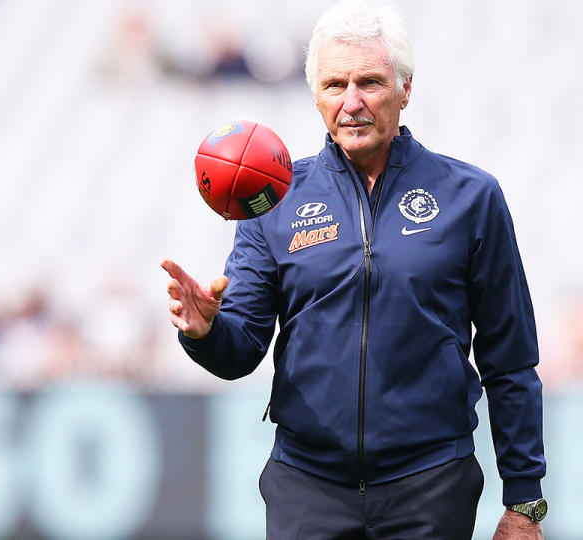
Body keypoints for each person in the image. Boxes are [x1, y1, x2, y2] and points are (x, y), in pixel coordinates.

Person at [162, 2, 545, 538]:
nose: (352, 102)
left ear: (406, 89)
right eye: (335, 85)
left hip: (432, 484)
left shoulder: (471, 197)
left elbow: (511, 360)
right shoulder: (274, 200)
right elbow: (240, 351)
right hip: (307, 485)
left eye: (370, 82)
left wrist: (524, 502)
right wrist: (204, 332)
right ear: (316, 95)